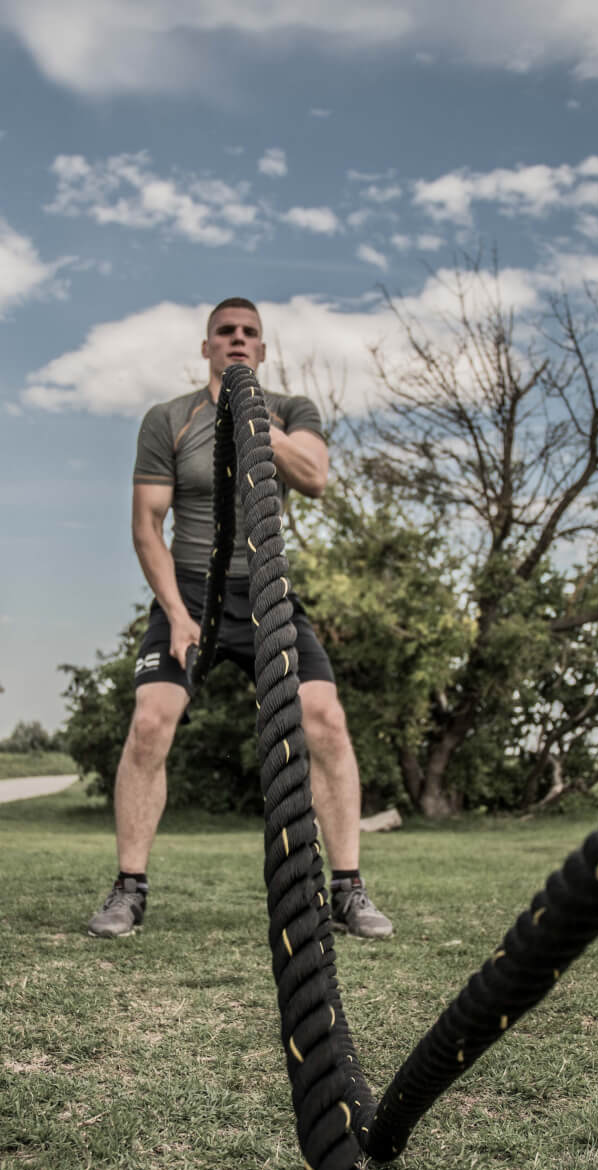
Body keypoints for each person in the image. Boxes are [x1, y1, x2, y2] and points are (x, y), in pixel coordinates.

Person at [87, 297, 394, 941]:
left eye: (249, 333)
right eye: (224, 332)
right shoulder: (168, 419)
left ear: (261, 349)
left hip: (266, 590)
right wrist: (175, 611)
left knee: (327, 721)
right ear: (206, 347)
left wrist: (250, 413)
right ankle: (128, 889)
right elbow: (147, 525)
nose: (236, 339)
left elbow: (314, 477)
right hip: (191, 590)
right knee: (149, 723)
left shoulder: (293, 411)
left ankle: (348, 889)